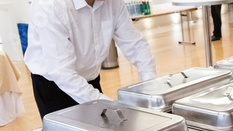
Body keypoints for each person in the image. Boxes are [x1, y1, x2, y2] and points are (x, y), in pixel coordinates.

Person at [24, 0, 156, 119]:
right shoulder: (50, 5)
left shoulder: (112, 2)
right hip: (54, 86)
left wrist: (149, 88)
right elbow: (61, 72)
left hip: (90, 80)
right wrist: (110, 105)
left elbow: (136, 45)